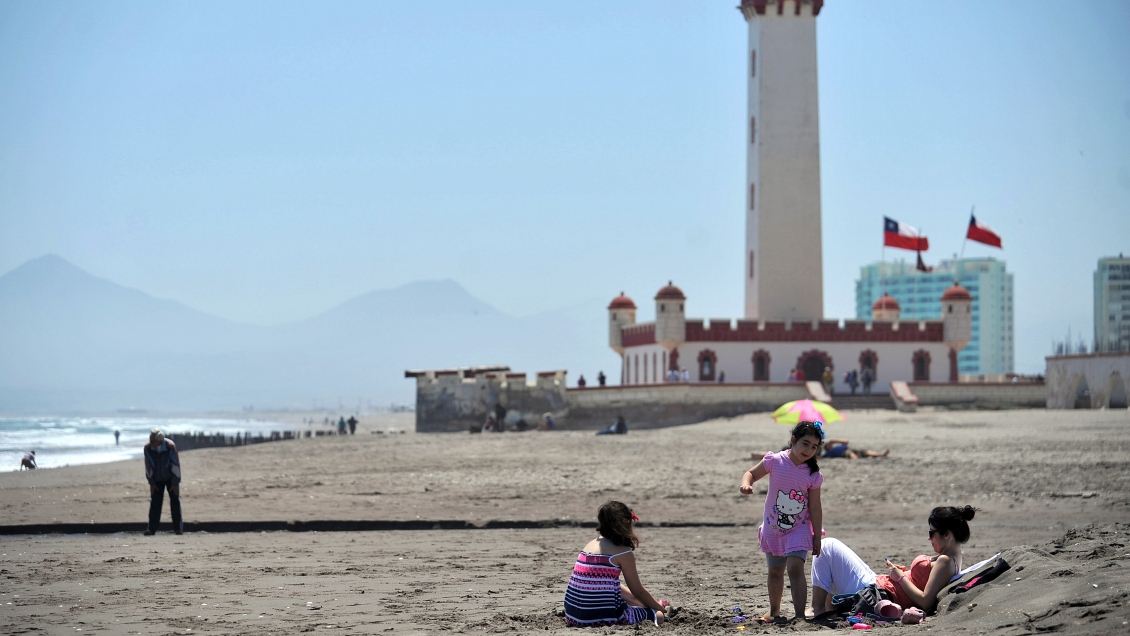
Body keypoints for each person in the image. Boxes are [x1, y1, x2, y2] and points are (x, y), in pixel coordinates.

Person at [810, 506, 976, 616]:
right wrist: (904, 574)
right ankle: (825, 608)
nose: (929, 537)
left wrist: (901, 578)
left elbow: (925, 601)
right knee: (831, 556)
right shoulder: (953, 557)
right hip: (880, 584)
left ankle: (817, 609)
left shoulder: (946, 561)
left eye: (932, 533)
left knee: (827, 546)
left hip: (878, 593)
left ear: (947, 534)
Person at [739, 421, 825, 623]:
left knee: (795, 568)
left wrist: (817, 536)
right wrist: (746, 484)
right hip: (773, 527)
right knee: (775, 571)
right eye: (805, 443)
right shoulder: (775, 461)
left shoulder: (813, 475)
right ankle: (775, 611)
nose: (809, 450)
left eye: (814, 447)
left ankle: (799, 616)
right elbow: (750, 473)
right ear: (793, 440)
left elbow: (815, 507)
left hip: (799, 528)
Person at [563, 501, 668, 627]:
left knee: (628, 597)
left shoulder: (589, 545)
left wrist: (640, 602)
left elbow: (607, 584)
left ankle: (650, 606)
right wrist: (660, 608)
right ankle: (661, 610)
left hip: (573, 616)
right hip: (600, 618)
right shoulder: (622, 553)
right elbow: (638, 591)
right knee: (658, 616)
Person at [143, 429, 183, 535]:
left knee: (175, 502)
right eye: (150, 439)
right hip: (156, 479)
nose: (150, 441)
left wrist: (175, 482)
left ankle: (178, 528)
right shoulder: (147, 448)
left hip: (170, 477)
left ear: (159, 440)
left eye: (152, 440)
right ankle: (151, 529)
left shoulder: (170, 446)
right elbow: (148, 466)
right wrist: (151, 482)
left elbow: (175, 464)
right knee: (155, 503)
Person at [822, 439, 889, 460]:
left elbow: (846, 442)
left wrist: (834, 441)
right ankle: (856, 458)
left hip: (849, 449)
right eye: (828, 444)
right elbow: (821, 457)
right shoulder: (829, 452)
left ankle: (881, 455)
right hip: (844, 452)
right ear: (827, 447)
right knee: (851, 454)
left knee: (865, 451)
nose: (830, 444)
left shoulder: (837, 446)